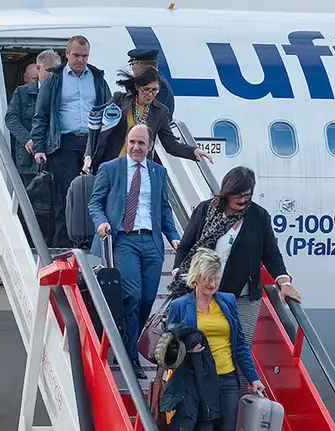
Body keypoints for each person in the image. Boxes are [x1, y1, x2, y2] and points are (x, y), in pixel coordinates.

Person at [169, 166, 301, 389]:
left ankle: (235, 399)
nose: (242, 200)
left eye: (247, 196)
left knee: (240, 346)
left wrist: (283, 281)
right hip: (208, 292)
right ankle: (199, 395)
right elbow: (186, 244)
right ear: (226, 192)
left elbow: (271, 253)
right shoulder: (205, 211)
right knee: (202, 343)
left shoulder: (258, 217)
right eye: (238, 195)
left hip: (243, 296)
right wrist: (178, 271)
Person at [88, 124, 181, 379]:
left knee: (147, 300)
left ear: (150, 146)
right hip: (124, 239)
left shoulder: (158, 172)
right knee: (132, 295)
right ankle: (130, 356)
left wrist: (173, 237)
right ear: (127, 143)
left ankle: (127, 345)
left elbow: (164, 209)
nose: (136, 147)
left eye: (141, 143)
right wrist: (101, 222)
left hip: (151, 241)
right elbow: (95, 202)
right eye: (132, 142)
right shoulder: (111, 169)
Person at [164, 248, 267, 431]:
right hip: (196, 381)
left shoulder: (228, 301)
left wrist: (253, 377)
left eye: (216, 278)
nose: (213, 284)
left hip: (227, 379)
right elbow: (169, 345)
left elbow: (240, 344)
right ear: (196, 277)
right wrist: (185, 349)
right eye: (208, 278)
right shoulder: (179, 306)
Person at [30, 35, 112, 248]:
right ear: (66, 54)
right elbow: (41, 116)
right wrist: (39, 147)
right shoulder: (54, 80)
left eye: (84, 56)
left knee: (94, 192)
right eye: (76, 55)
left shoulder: (97, 79)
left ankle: (90, 243)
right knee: (65, 195)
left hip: (92, 143)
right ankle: (64, 245)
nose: (80, 60)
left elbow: (110, 112)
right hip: (63, 143)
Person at [82, 67, 212, 175]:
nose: (150, 94)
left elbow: (170, 144)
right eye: (146, 89)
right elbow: (98, 129)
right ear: (138, 87)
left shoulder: (160, 111)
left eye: (154, 90)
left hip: (138, 169)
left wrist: (193, 151)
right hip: (112, 164)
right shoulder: (119, 100)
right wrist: (88, 155)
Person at [5, 50, 61, 186]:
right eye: (49, 70)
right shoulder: (22, 92)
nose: (52, 75)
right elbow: (11, 118)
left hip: (55, 157)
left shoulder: (62, 93)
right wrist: (27, 139)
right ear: (38, 69)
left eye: (56, 71)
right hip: (28, 159)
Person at [128, 48, 175, 118]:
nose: (132, 68)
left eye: (132, 64)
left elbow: (152, 117)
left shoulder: (160, 85)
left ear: (140, 64)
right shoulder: (157, 81)